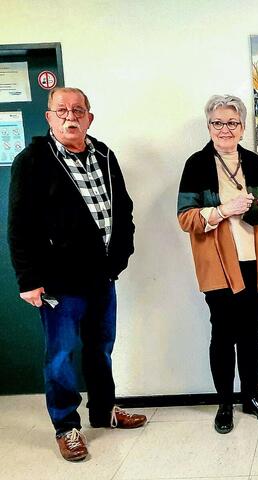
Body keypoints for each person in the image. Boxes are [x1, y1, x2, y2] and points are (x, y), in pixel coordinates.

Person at [7, 87, 147, 462]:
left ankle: (104, 412)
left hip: (103, 277)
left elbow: (124, 210)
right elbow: (19, 224)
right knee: (62, 355)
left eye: (79, 110)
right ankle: (66, 426)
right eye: (62, 110)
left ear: (89, 118)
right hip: (58, 283)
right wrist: (28, 280)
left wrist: (121, 255)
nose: (71, 116)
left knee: (101, 349)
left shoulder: (103, 153)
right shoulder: (33, 160)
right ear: (49, 117)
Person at [177, 94, 258, 434]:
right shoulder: (196, 164)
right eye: (218, 123)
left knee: (251, 333)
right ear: (209, 126)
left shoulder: (253, 160)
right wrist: (224, 210)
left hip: (257, 259)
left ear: (243, 126)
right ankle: (224, 403)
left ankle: (251, 397)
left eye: (232, 123)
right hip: (219, 263)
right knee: (223, 334)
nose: (225, 129)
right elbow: (185, 217)